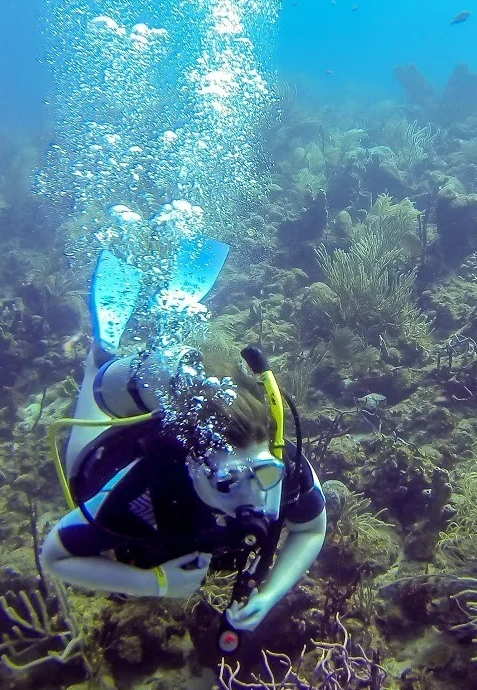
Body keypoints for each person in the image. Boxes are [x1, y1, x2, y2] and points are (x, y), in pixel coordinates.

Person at [40, 233, 326, 647]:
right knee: (89, 420)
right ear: (195, 469)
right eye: (229, 481)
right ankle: (102, 356)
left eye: (265, 473)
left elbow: (312, 530)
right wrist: (154, 582)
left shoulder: (285, 465)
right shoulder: (146, 488)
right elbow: (55, 556)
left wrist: (269, 594)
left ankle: (166, 334)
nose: (255, 496)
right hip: (102, 458)